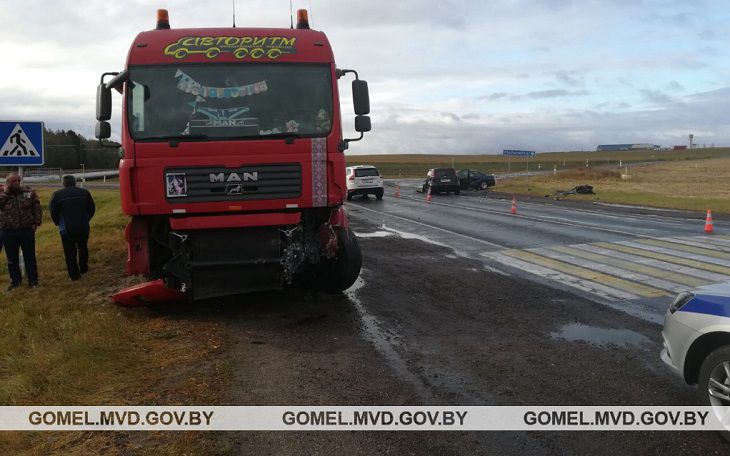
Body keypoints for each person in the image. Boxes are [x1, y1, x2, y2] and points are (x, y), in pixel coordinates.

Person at [0, 172, 42, 289]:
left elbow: (37, 206)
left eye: (18, 180)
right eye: (14, 181)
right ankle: (15, 281)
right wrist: (6, 193)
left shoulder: (28, 192)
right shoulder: (2, 193)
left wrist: (36, 222)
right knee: (12, 258)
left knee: (30, 257)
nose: (17, 183)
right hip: (8, 231)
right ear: (8, 182)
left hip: (26, 230)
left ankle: (33, 281)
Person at [50, 175, 96, 281]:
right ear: (75, 182)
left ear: (63, 183)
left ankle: (74, 275)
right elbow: (92, 208)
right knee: (83, 247)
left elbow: (53, 211)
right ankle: (83, 268)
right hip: (83, 225)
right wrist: (86, 219)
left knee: (69, 251)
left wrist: (57, 222)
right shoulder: (84, 193)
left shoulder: (57, 195)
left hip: (66, 228)